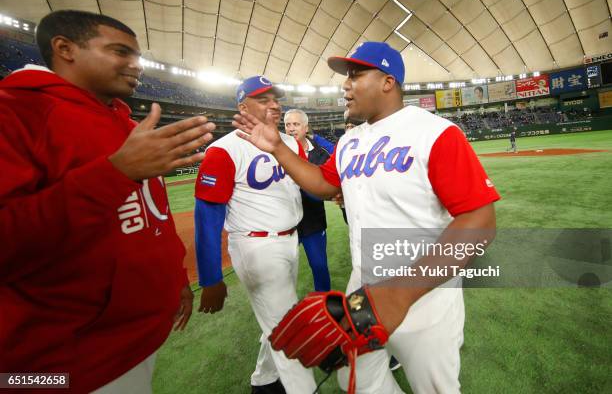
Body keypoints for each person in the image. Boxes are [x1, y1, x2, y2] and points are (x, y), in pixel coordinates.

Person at [233, 41, 499, 394]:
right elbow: (323, 184)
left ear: (388, 82)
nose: (345, 85)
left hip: (425, 295)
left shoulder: (436, 134)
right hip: (363, 287)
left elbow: (480, 221)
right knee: (355, 379)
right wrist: (279, 148)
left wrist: (399, 295)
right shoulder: (349, 141)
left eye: (356, 75)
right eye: (346, 76)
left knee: (435, 388)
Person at [0, 10, 216, 393]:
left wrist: (175, 279)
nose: (137, 65)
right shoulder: (14, 112)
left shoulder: (129, 125)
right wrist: (114, 173)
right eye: (120, 52)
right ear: (64, 48)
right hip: (59, 365)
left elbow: (153, 216)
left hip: (135, 340)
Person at [193, 76, 317, 393]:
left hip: (290, 240)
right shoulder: (223, 150)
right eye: (264, 99)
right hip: (255, 246)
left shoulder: (291, 143)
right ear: (243, 106)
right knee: (289, 326)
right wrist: (210, 278)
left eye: (275, 98)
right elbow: (207, 216)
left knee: (275, 318)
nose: (274, 104)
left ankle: (264, 383)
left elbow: (306, 188)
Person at [284, 108, 331, 292]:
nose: (291, 129)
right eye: (288, 124)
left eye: (296, 124)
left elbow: (324, 188)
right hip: (284, 224)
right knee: (283, 271)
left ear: (305, 127)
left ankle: (324, 304)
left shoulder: (319, 153)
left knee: (319, 267)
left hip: (313, 223)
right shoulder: (274, 151)